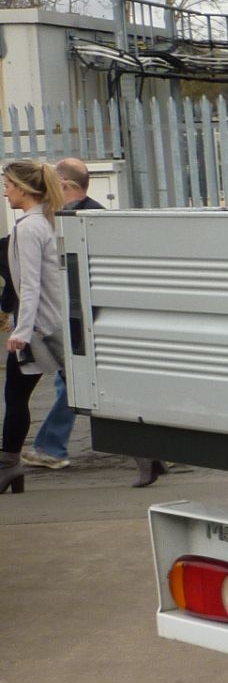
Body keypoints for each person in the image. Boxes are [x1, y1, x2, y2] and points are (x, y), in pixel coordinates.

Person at [18, 158, 101, 471]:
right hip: (68, 315)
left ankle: (49, 446)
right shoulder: (61, 216)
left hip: (78, 316)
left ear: (65, 185)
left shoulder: (84, 217)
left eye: (52, 182)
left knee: (76, 384)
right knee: (69, 384)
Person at [2, 160, 68, 494]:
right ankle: (144, 455)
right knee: (82, 395)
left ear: (24, 188)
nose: (5, 190)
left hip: (40, 330)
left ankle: (10, 466)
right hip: (53, 325)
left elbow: (29, 285)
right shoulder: (44, 220)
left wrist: (21, 332)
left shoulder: (28, 227)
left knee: (15, 395)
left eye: (8, 184)